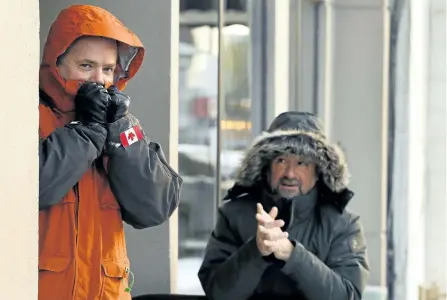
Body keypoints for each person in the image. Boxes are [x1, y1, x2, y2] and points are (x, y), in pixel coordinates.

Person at [38, 5, 182, 300]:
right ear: (56, 64)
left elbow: (154, 208)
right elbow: (34, 187)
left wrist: (118, 134)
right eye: (86, 66)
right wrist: (85, 132)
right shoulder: (33, 118)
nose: (99, 80)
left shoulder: (122, 126)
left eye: (107, 69)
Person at [198, 111, 369, 300]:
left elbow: (347, 296)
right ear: (267, 165)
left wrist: (292, 254)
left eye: (301, 163)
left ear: (318, 170)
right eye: (281, 160)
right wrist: (256, 250)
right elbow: (217, 293)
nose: (290, 173)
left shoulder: (342, 224)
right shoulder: (233, 215)